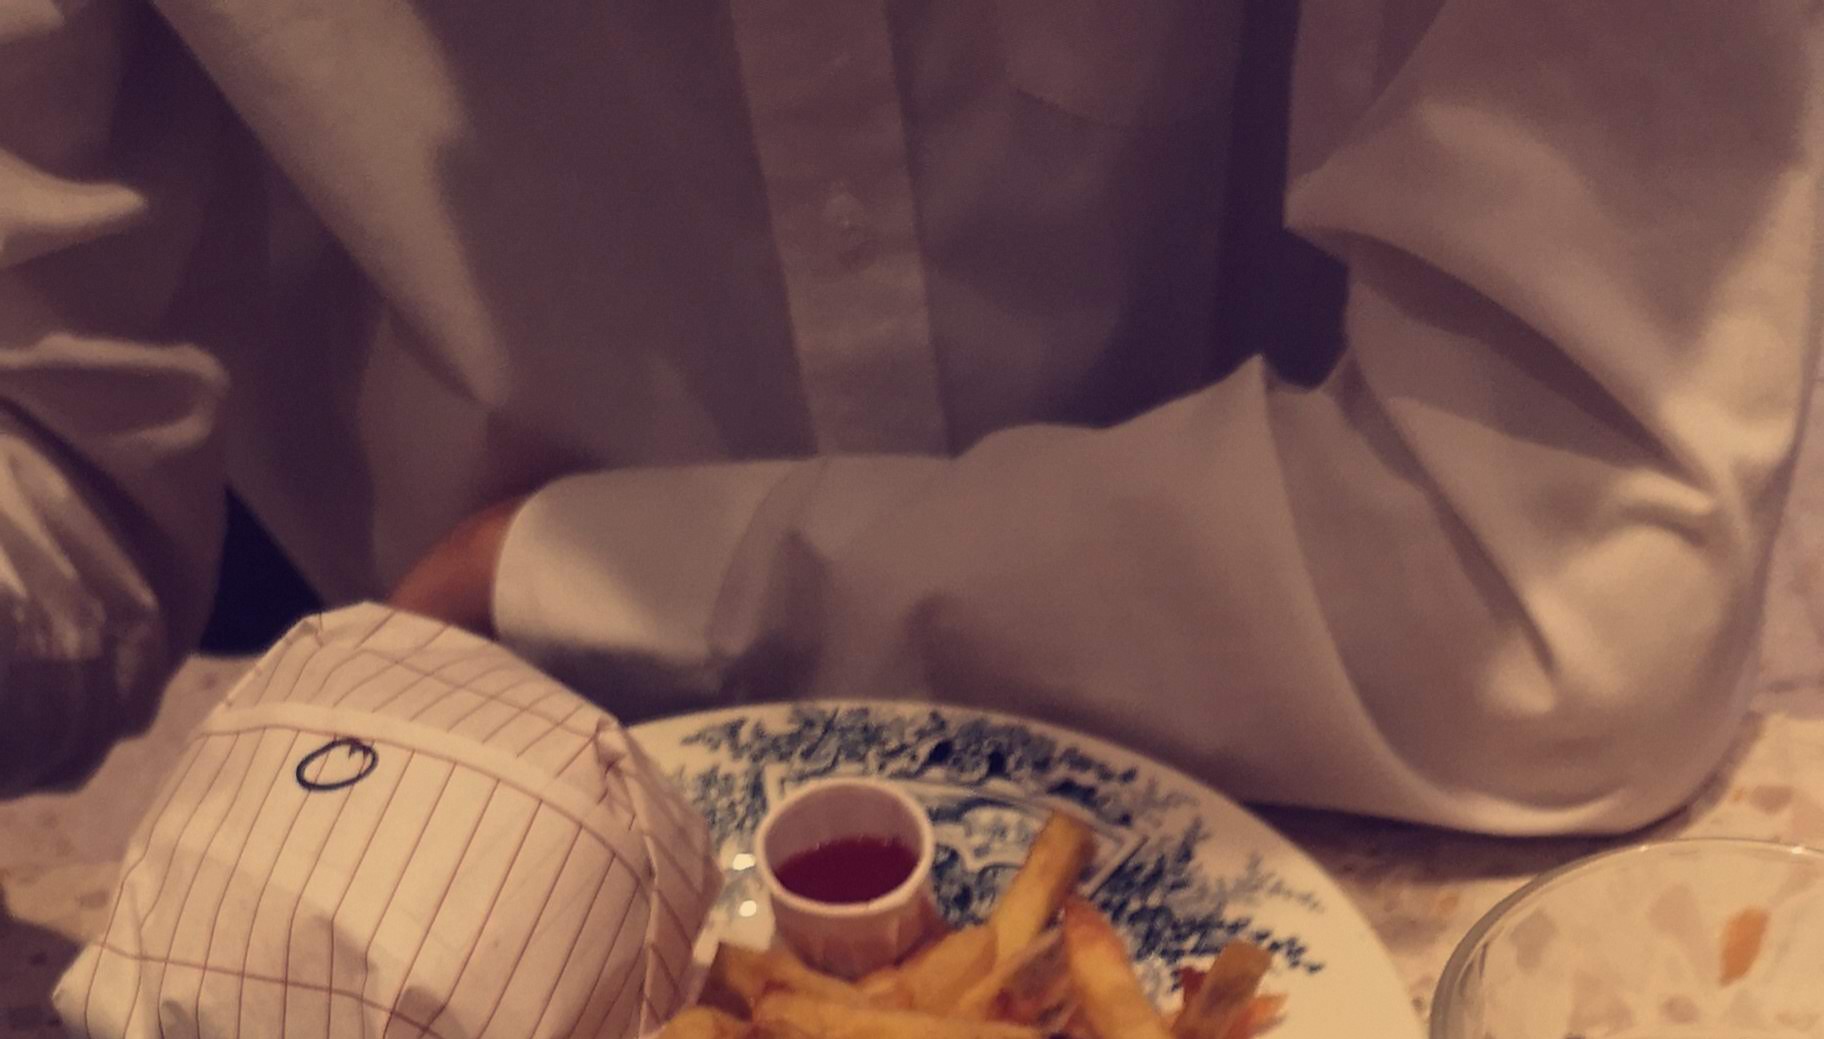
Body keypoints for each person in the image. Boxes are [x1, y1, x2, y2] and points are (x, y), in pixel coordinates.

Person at [0, 2, 1818, 830]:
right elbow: (52, 453)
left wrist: (579, 573)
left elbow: (1559, 587)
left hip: (1362, 836)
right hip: (475, 848)